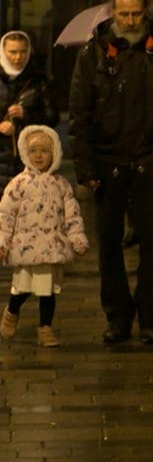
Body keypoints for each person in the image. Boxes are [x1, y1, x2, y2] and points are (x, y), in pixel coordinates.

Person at [69, 0, 153, 345]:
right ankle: (117, 317)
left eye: (136, 14)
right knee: (110, 245)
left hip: (151, 159)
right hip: (107, 160)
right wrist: (84, 168)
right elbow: (79, 113)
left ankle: (150, 317)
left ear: (145, 13)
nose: (130, 20)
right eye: (123, 14)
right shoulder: (94, 53)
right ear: (111, 12)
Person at [0, 125, 89, 347]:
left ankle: (45, 327)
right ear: (25, 153)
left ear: (54, 153)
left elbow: (72, 216)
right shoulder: (18, 184)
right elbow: (6, 215)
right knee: (22, 288)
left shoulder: (61, 185)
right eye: (33, 151)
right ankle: (12, 310)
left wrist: (77, 238)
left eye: (44, 151)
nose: (38, 156)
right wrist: (3, 242)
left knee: (48, 291)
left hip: (51, 247)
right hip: (25, 247)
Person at [0, 31, 59, 191]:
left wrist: (26, 116)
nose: (18, 57)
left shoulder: (38, 81)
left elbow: (52, 117)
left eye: (23, 51)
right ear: (3, 52)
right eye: (13, 52)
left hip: (29, 157)